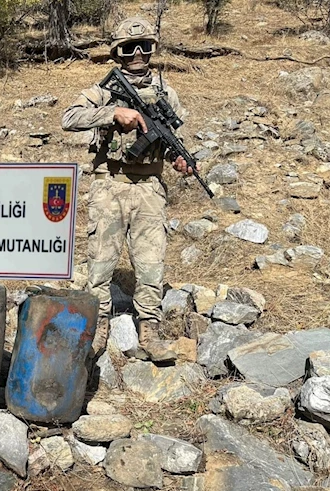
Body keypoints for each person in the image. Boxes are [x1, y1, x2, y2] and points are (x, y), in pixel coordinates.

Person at [62, 16, 194, 361]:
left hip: (149, 187)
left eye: (145, 46)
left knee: (151, 263)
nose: (137, 53)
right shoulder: (103, 91)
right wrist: (112, 113)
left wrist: (179, 161)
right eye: (128, 48)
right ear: (116, 52)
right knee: (101, 263)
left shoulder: (167, 93)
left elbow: (171, 141)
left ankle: (149, 329)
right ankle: (98, 325)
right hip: (110, 186)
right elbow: (69, 117)